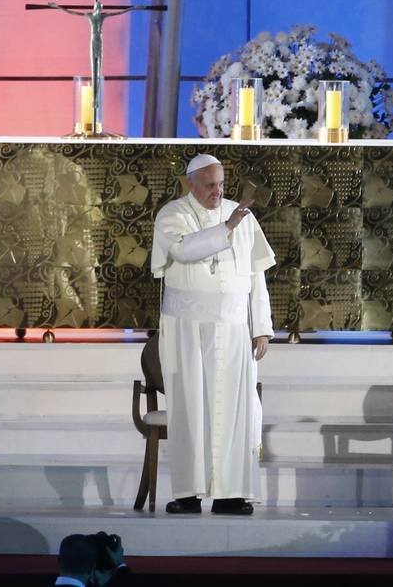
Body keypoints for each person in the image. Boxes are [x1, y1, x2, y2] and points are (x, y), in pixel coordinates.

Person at [151, 153, 277, 515]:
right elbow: (184, 250)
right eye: (209, 185)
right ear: (190, 183)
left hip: (234, 328)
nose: (217, 191)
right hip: (187, 329)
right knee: (189, 407)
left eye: (221, 183)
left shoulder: (241, 214)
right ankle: (188, 494)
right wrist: (226, 228)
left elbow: (257, 277)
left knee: (234, 410)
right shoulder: (173, 214)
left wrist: (262, 329)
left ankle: (231, 494)